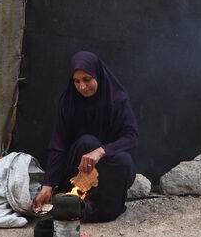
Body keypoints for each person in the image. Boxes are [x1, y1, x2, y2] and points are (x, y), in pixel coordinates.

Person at [32, 51, 138, 222]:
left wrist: (101, 151)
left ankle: (104, 209)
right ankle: (78, 202)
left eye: (87, 79)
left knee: (124, 161)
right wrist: (47, 185)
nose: (82, 87)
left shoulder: (117, 99)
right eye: (77, 81)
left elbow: (131, 136)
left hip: (108, 167)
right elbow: (58, 145)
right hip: (77, 169)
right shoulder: (69, 102)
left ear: (98, 75)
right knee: (87, 141)